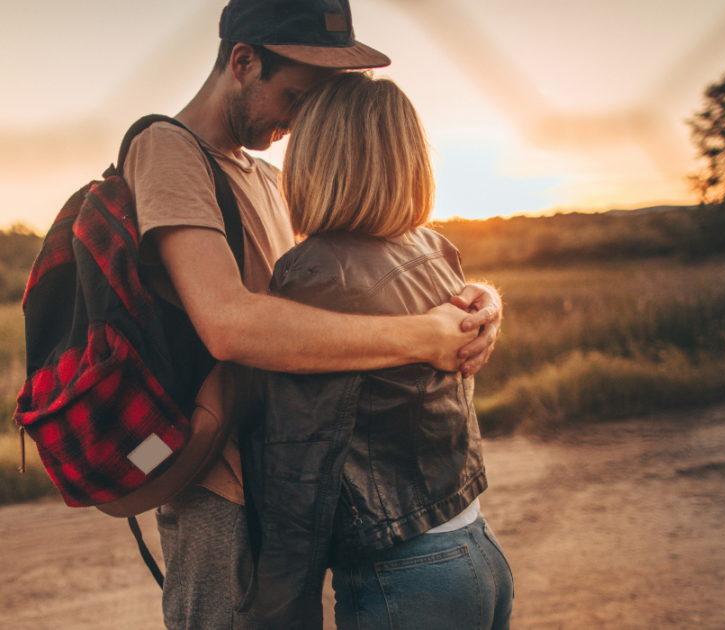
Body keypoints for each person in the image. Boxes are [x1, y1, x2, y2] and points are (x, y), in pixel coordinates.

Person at [121, 1, 502, 628]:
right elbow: (228, 323)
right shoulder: (168, 150)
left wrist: (478, 303)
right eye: (296, 98)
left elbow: (348, 287)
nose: (301, 124)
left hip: (296, 480)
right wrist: (423, 336)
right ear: (243, 62)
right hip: (225, 486)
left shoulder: (267, 178)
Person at [244, 72, 513, 630]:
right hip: (477, 549)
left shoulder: (314, 275)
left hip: (405, 577)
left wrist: (281, 612)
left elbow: (300, 466)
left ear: (317, 160)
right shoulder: (434, 249)